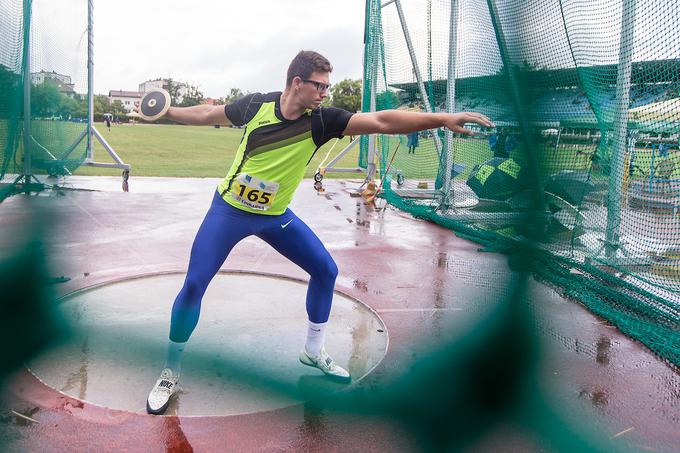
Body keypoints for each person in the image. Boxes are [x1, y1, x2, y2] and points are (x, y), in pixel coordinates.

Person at [143, 50, 493, 415]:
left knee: (325, 270)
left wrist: (441, 119)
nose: (326, 92)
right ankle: (171, 370)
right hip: (230, 210)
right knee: (196, 283)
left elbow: (383, 121)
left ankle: (313, 351)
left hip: (274, 216)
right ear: (298, 82)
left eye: (327, 86)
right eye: (320, 86)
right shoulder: (255, 106)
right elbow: (206, 113)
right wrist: (166, 111)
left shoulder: (323, 121)